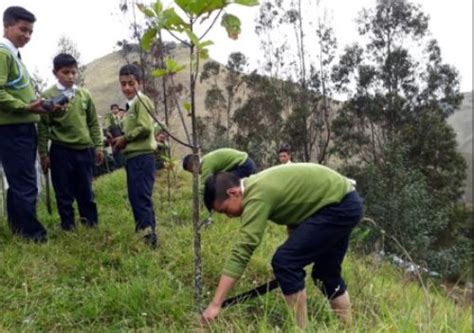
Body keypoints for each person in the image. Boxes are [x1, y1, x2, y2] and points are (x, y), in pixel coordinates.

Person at [201, 163, 363, 329]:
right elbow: (296, 209)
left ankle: (301, 330)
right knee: (325, 274)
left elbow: (243, 250)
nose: (228, 216)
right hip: (344, 201)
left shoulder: (256, 195)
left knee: (285, 261)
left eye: (225, 210)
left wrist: (215, 304)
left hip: (339, 206)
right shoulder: (255, 185)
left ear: (233, 193)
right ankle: (350, 329)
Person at [38, 53, 103, 231]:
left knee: (86, 190)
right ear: (55, 72)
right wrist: (43, 153)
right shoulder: (48, 96)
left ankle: (90, 223)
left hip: (84, 149)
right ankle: (68, 225)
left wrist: (98, 146)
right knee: (63, 191)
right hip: (61, 151)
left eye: (74, 72)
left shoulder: (84, 95)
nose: (71, 76)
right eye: (66, 72)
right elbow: (43, 126)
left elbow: (93, 123)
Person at [0, 6, 49, 242]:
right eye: (23, 29)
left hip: (21, 126)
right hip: (13, 128)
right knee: (26, 182)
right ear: (7, 25)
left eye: (30, 32)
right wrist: (25, 107)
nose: (27, 36)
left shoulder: (14, 56)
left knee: (19, 180)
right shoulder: (3, 53)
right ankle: (33, 235)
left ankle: (18, 229)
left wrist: (39, 106)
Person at [111, 64, 158, 248]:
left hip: (142, 157)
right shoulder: (131, 105)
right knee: (136, 197)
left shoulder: (142, 101)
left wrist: (125, 138)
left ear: (140, 83)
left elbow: (146, 128)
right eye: (123, 84)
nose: (127, 88)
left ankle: (148, 239)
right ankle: (144, 233)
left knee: (140, 197)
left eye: (131, 83)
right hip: (134, 157)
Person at [182, 148, 257, 188]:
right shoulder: (206, 160)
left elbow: (204, 186)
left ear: (194, 165)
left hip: (244, 165)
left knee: (225, 184)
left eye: (192, 171)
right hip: (245, 163)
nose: (194, 174)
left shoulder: (206, 165)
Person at [104, 103, 124, 168]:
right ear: (111, 110)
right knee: (116, 150)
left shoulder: (120, 117)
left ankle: (122, 164)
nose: (115, 110)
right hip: (113, 135)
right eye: (113, 109)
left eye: (116, 109)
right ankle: (118, 165)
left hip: (120, 135)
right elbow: (107, 126)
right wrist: (108, 132)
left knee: (121, 150)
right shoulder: (109, 117)